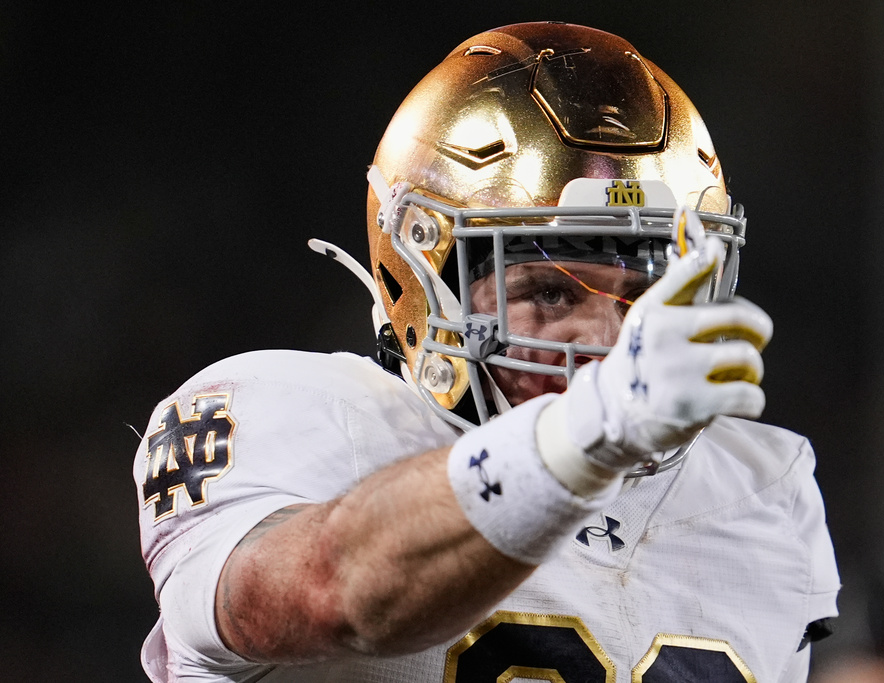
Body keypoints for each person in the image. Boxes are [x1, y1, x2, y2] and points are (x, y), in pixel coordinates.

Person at [134, 21, 840, 682]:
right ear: (421, 275)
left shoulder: (764, 490)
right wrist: (580, 437)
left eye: (642, 294)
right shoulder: (304, 417)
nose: (606, 341)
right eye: (551, 293)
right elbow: (323, 589)